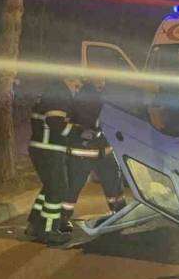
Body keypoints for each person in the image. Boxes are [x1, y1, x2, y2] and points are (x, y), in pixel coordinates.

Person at [25, 76, 83, 245]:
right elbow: (56, 123)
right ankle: (49, 230)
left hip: (43, 148)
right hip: (49, 149)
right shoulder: (59, 95)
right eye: (77, 84)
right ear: (68, 79)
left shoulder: (52, 92)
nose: (77, 89)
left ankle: (35, 224)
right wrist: (79, 131)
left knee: (50, 187)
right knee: (58, 188)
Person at [66, 77, 126, 230]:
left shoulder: (98, 95)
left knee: (111, 183)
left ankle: (120, 214)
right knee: (74, 187)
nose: (102, 82)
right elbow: (90, 121)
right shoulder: (89, 96)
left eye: (104, 80)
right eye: (100, 79)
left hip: (98, 151)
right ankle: (121, 214)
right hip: (86, 151)